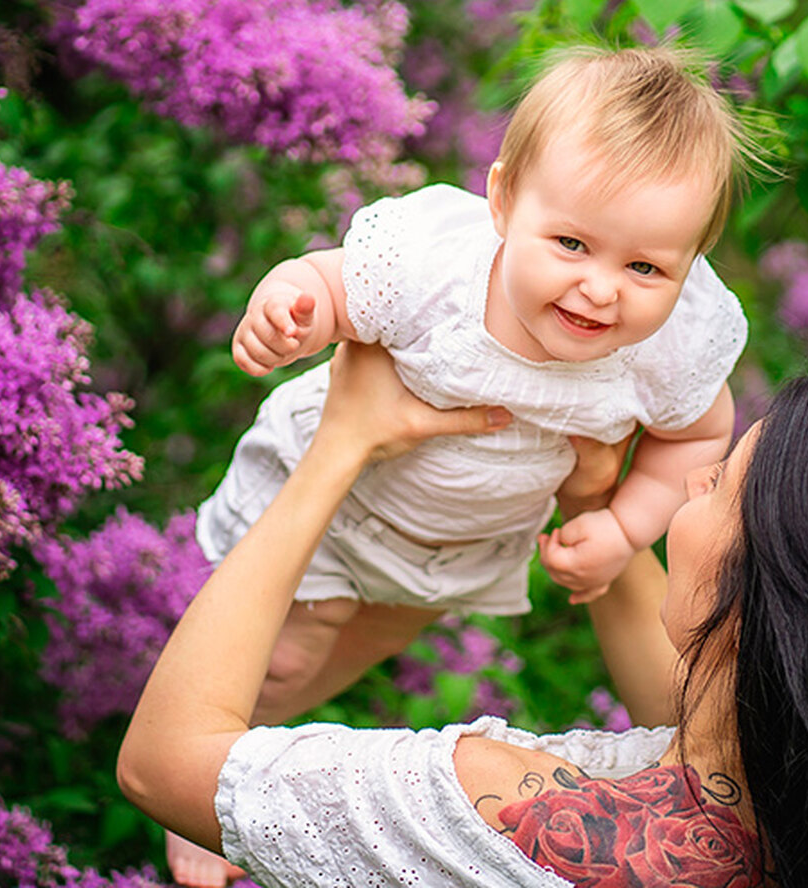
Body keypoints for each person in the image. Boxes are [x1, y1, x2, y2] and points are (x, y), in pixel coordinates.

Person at [171, 43, 762, 886]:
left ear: (692, 261)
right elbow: (333, 287)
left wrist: (623, 524)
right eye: (570, 243)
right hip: (343, 504)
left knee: (378, 636)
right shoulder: (438, 266)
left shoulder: (674, 343)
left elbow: (696, 438)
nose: (600, 289)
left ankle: (241, 736)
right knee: (296, 656)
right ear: (502, 202)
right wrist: (291, 309)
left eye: (645, 267)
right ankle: (213, 786)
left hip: (465, 543)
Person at [121, 341, 808, 887]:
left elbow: (166, 766)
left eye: (715, 484)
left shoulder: (493, 811)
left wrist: (341, 445)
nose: (682, 496)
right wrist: (595, 495)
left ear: (776, 589)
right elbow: (689, 718)